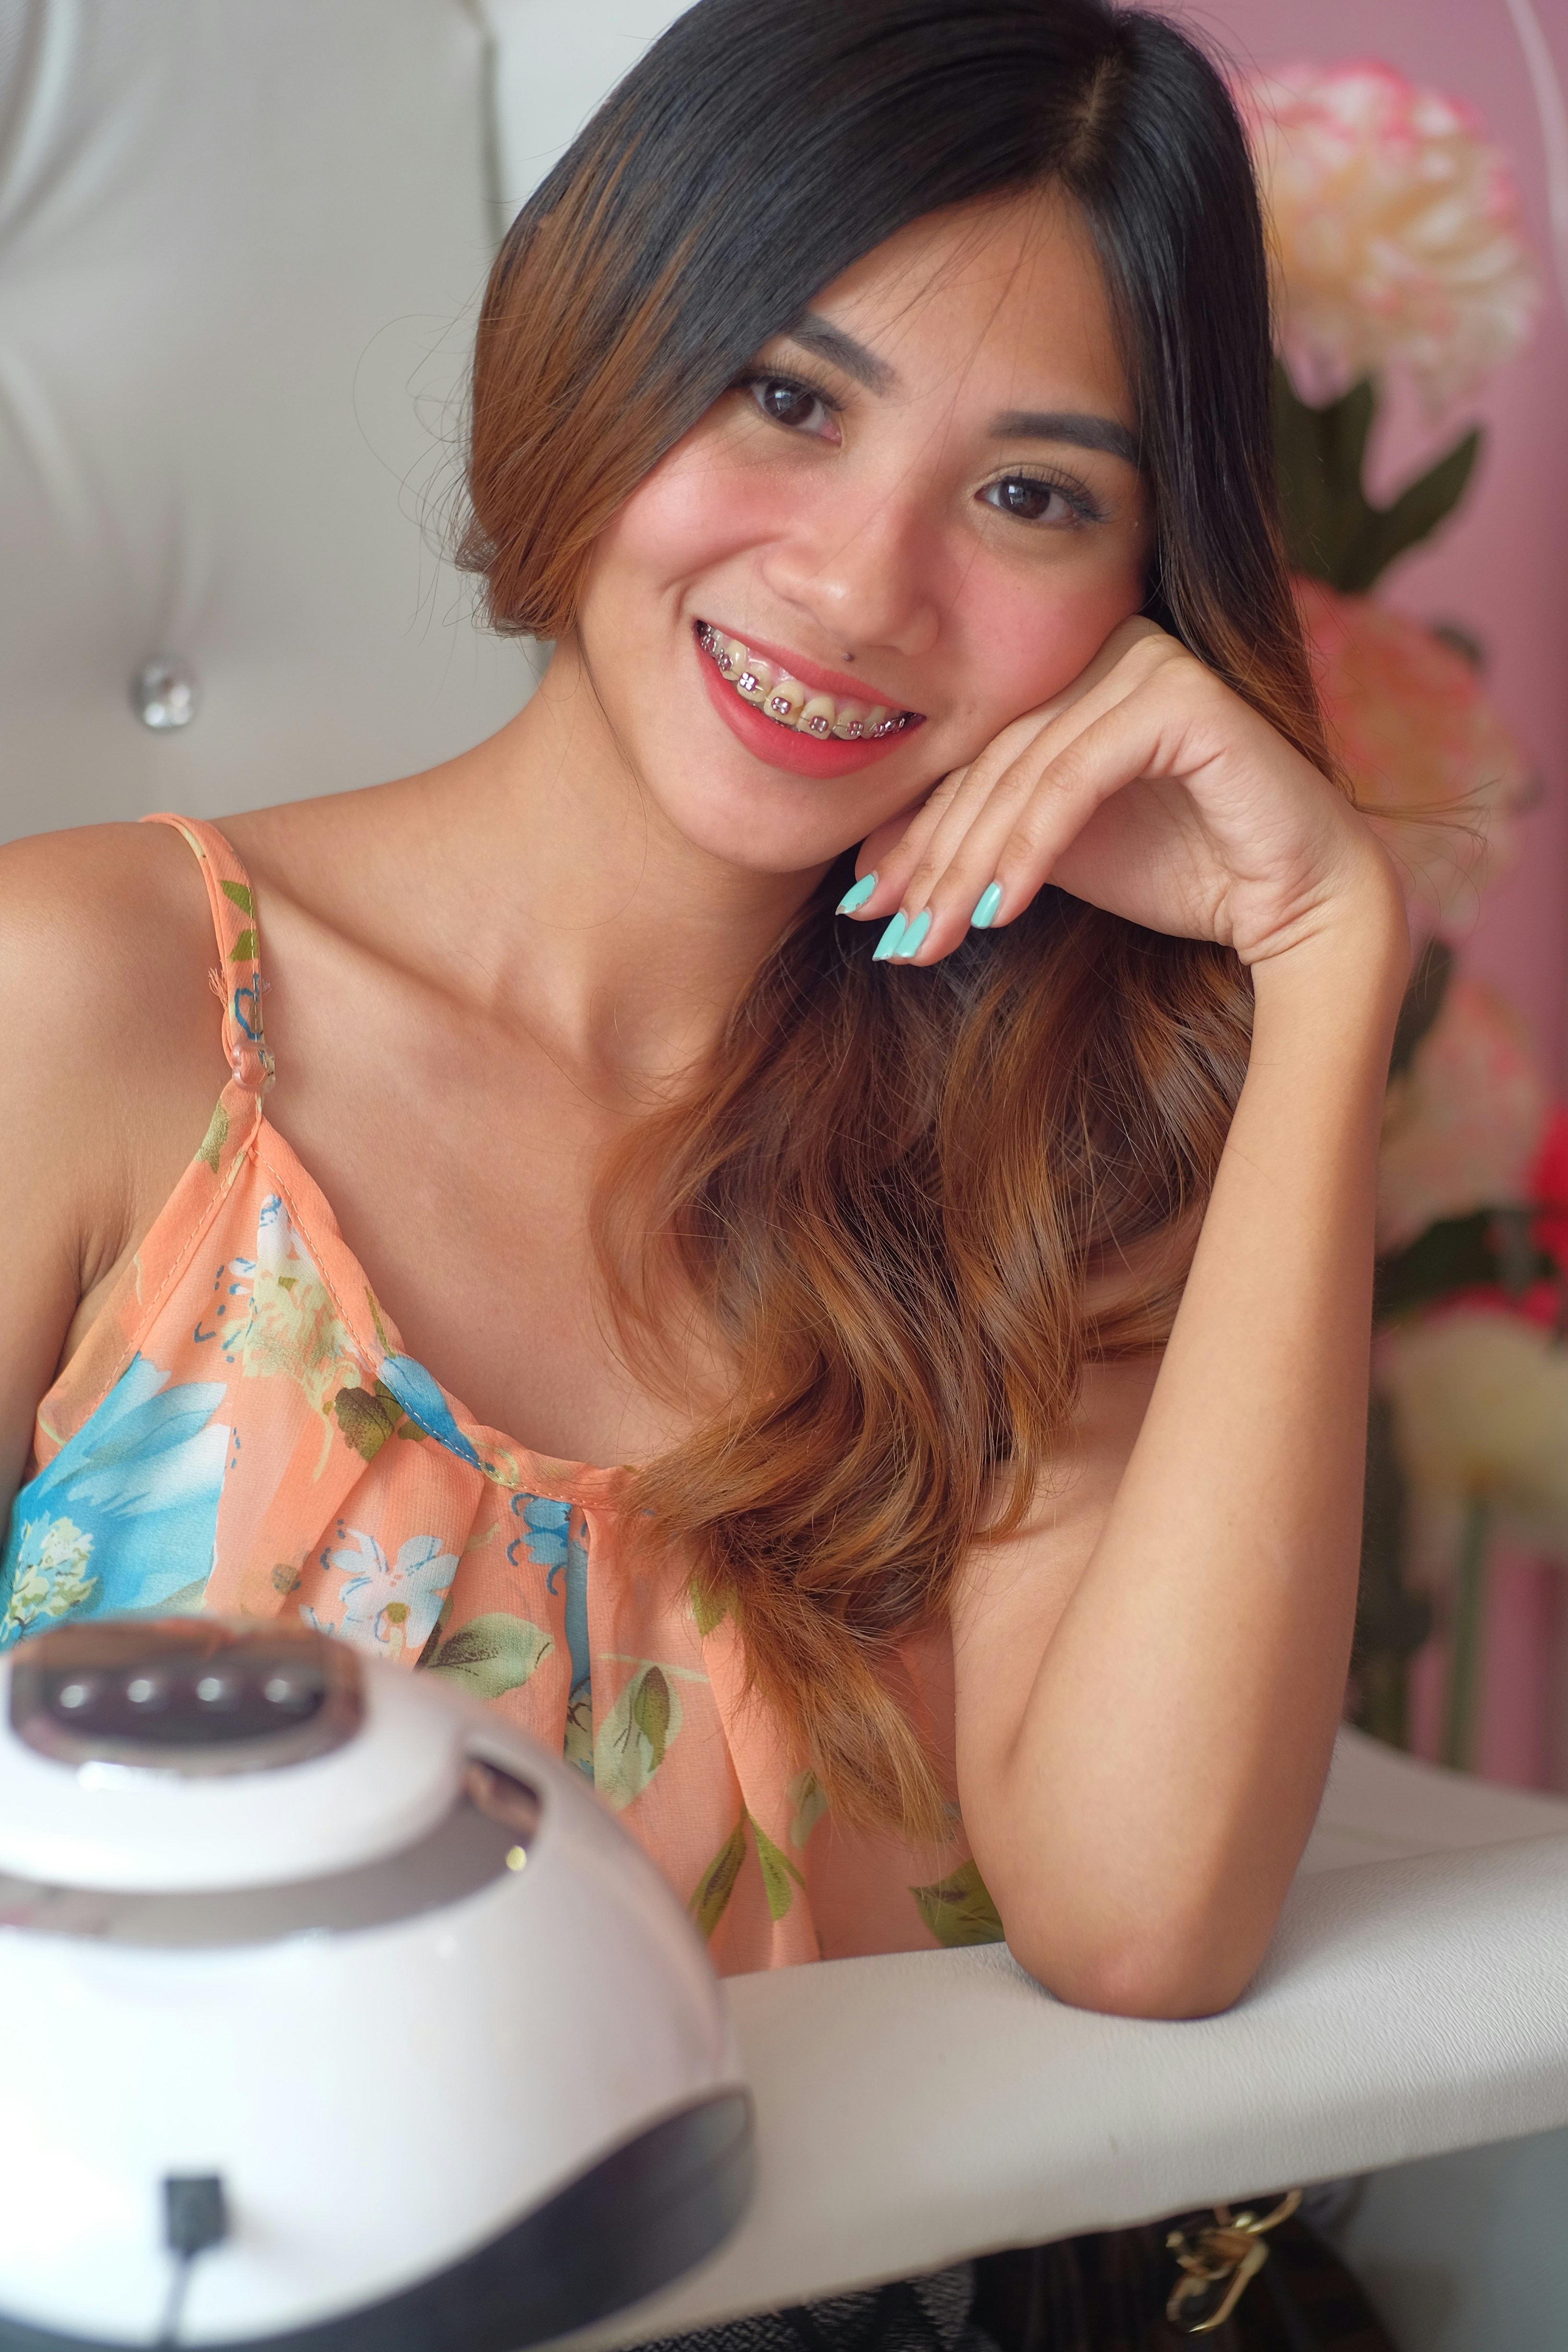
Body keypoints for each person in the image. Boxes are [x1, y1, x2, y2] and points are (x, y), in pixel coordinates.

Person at [1, 0, 1406, 2022]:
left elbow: (1143, 1923)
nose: (858, 587)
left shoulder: (1044, 1146)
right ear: (604, 341)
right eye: (788, 398)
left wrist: (1329, 945)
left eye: (1029, 499)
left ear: (1139, 601)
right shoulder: (86, 1003)